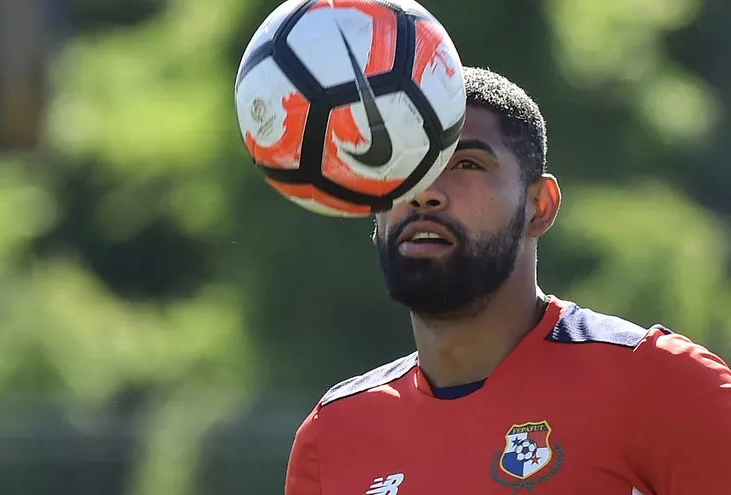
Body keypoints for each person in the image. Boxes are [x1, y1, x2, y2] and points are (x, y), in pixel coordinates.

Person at [284, 66, 731, 495]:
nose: (424, 190)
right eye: (402, 167)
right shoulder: (333, 434)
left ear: (539, 206)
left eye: (466, 165)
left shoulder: (661, 386)